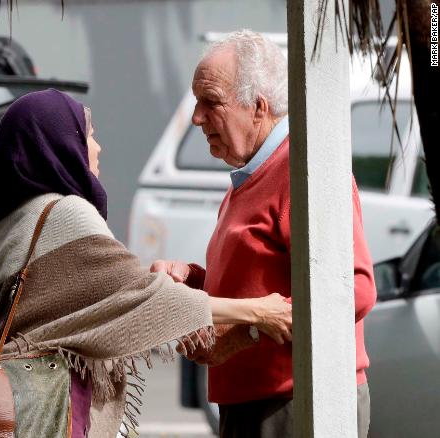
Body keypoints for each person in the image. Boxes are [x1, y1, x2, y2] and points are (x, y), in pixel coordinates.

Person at [0, 89, 293, 437]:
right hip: (50, 407)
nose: (97, 147)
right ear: (59, 143)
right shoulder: (65, 214)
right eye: (88, 134)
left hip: (11, 403)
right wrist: (258, 311)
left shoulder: (9, 223)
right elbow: (140, 298)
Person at [151, 30, 377, 438]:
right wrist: (195, 278)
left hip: (293, 402)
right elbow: (260, 278)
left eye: (211, 102)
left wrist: (247, 332)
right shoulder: (253, 173)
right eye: (197, 102)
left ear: (258, 107)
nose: (197, 117)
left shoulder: (302, 170)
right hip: (254, 404)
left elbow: (355, 290)